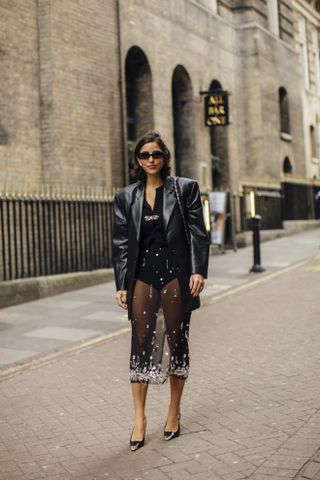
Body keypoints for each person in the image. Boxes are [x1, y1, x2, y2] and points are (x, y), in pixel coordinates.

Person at [112, 131, 209, 451]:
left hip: (175, 274)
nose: (150, 160)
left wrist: (198, 270)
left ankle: (173, 412)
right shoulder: (127, 196)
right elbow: (122, 244)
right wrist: (122, 284)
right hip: (142, 276)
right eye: (144, 155)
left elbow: (198, 233)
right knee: (140, 342)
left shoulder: (185, 189)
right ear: (137, 160)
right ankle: (139, 419)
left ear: (165, 157)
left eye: (156, 154)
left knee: (176, 340)